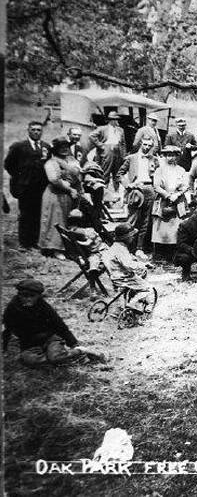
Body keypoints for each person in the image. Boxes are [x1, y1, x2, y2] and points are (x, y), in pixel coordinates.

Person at [2, 279, 105, 366]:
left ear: (38, 296)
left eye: (32, 296)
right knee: (29, 360)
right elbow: (7, 329)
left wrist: (73, 343)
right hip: (30, 344)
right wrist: (4, 349)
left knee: (55, 358)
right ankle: (68, 357)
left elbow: (59, 325)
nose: (28, 298)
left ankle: (80, 351)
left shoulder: (43, 306)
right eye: (24, 295)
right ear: (19, 295)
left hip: (50, 339)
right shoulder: (13, 308)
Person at [4, 121, 50, 249]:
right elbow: (9, 165)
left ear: (42, 132)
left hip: (40, 187)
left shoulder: (46, 146)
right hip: (25, 187)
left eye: (39, 130)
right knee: (25, 214)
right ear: (28, 131)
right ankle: (24, 242)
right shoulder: (18, 146)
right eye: (33, 129)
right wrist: (20, 178)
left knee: (37, 213)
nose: (36, 132)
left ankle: (34, 241)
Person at [39, 137, 83, 259]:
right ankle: (55, 249)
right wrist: (69, 188)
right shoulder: (51, 162)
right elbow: (54, 179)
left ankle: (68, 247)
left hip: (69, 195)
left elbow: (77, 172)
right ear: (56, 149)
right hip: (55, 195)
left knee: (68, 220)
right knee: (55, 219)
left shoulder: (71, 160)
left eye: (66, 147)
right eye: (61, 147)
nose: (64, 149)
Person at [101, 223, 156, 312]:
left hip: (115, 276)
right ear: (126, 237)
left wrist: (136, 260)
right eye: (132, 236)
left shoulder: (115, 246)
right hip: (124, 278)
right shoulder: (121, 250)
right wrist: (143, 265)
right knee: (148, 288)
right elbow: (129, 265)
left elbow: (124, 259)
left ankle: (125, 303)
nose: (133, 238)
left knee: (138, 277)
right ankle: (132, 304)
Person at [118, 135, 159, 255]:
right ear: (141, 143)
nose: (146, 147)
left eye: (149, 145)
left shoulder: (154, 159)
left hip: (150, 189)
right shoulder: (131, 158)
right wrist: (128, 185)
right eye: (145, 144)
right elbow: (119, 174)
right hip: (135, 190)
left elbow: (158, 175)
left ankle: (139, 248)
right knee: (132, 219)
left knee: (146, 221)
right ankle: (124, 247)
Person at [151, 145, 189, 255]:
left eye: (172, 155)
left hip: (177, 199)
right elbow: (156, 186)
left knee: (176, 224)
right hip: (163, 199)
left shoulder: (181, 170)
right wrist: (168, 195)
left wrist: (177, 194)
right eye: (168, 155)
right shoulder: (159, 170)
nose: (170, 158)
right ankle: (160, 251)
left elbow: (185, 185)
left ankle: (174, 251)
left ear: (177, 156)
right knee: (161, 224)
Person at [65, 208, 106, 277]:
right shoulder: (85, 232)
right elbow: (88, 243)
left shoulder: (71, 231)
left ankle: (96, 269)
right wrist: (78, 242)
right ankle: (95, 269)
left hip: (86, 252)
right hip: (94, 251)